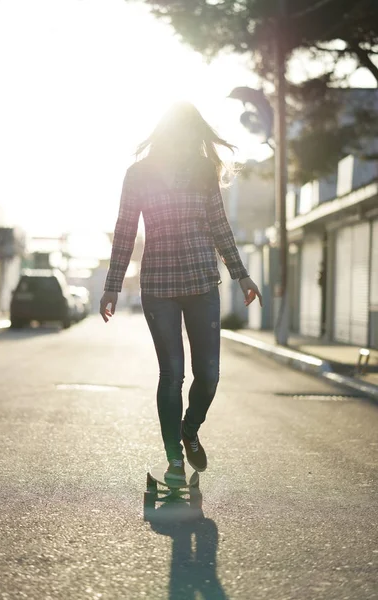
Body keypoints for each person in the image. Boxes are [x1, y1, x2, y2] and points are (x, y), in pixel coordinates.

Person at [100, 102, 262, 484]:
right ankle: (174, 460)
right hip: (158, 285)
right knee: (172, 375)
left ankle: (189, 431)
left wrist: (242, 276)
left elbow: (220, 226)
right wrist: (111, 285)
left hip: (203, 283)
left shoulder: (203, 172)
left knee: (208, 375)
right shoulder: (137, 175)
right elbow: (125, 230)